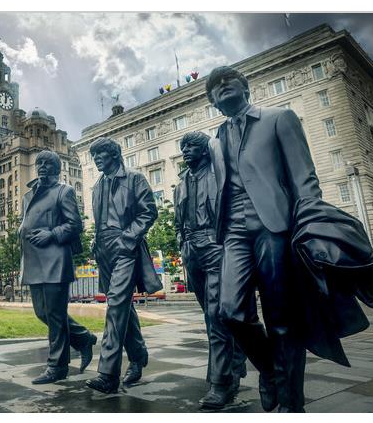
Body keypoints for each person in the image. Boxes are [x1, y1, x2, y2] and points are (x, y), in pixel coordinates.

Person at [206, 65, 322, 413]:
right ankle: (271, 371)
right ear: (212, 100)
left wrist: (311, 224)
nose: (222, 85)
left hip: (275, 226)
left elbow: (304, 178)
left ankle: (291, 405)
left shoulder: (278, 118)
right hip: (234, 232)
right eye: (214, 85)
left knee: (282, 318)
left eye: (229, 79)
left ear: (245, 86)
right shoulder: (216, 139)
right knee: (230, 311)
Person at [173, 131, 248, 409]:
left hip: (217, 247)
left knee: (217, 316)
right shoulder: (181, 182)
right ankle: (236, 360)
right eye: (183, 148)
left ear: (205, 150)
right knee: (212, 315)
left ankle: (221, 383)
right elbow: (179, 219)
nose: (185, 152)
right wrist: (182, 241)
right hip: (192, 251)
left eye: (191, 147)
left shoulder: (220, 174)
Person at [85, 138, 161, 394]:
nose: (96, 158)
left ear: (115, 154)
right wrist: (97, 242)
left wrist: (127, 239)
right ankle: (138, 356)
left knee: (116, 305)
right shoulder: (97, 186)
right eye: (94, 155)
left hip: (126, 247)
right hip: (104, 252)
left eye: (101, 153)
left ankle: (108, 374)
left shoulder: (134, 178)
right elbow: (100, 221)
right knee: (122, 307)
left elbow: (149, 212)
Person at [19, 150, 97, 385]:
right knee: (43, 313)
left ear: (56, 168)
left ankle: (57, 367)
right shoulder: (27, 195)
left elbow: (75, 225)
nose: (42, 166)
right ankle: (83, 338)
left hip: (54, 259)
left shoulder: (64, 191)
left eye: (47, 163)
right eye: (39, 162)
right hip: (33, 261)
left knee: (54, 316)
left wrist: (51, 234)